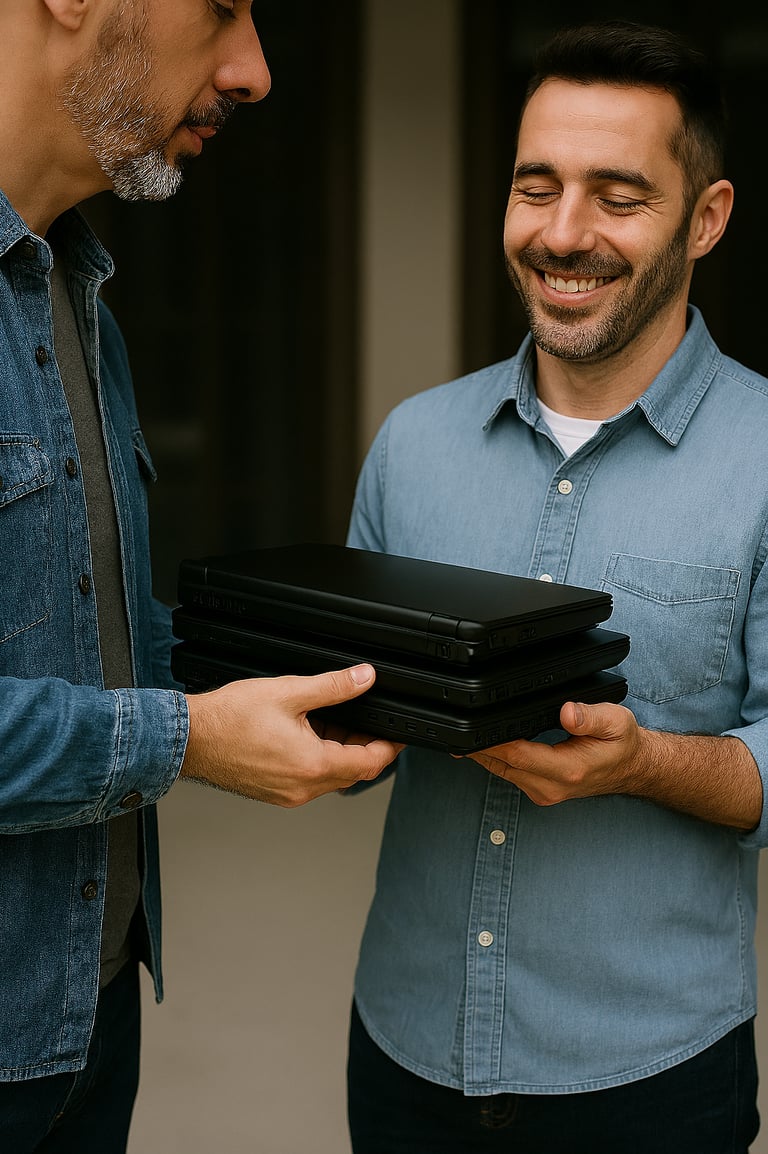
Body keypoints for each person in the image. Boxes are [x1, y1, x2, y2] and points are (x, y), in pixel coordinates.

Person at [345, 19, 768, 1154]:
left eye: (618, 196)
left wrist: (647, 762)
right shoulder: (412, 444)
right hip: (403, 1055)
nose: (563, 234)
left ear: (707, 218)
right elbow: (351, 714)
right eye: (538, 187)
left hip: (654, 1080)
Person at [0, 3, 400, 1151]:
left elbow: (90, 638)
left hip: (91, 1023)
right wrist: (192, 738)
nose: (259, 69)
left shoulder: (81, 301)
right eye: (224, 8)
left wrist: (363, 676)